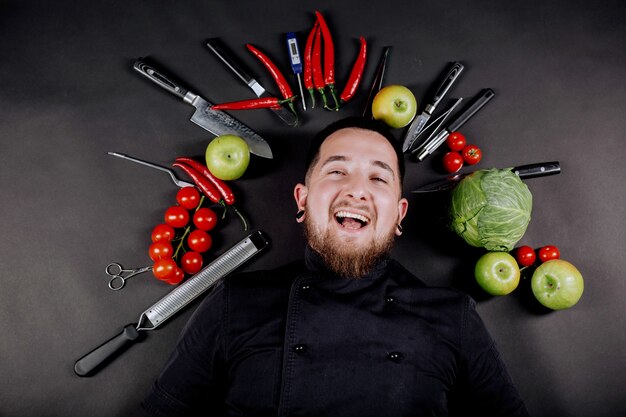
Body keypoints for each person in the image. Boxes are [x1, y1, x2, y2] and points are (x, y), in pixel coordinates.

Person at [137, 117, 529, 417]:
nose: (357, 189)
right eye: (337, 170)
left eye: (378, 177)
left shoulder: (452, 317)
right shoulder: (234, 302)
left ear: (399, 214)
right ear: (302, 201)